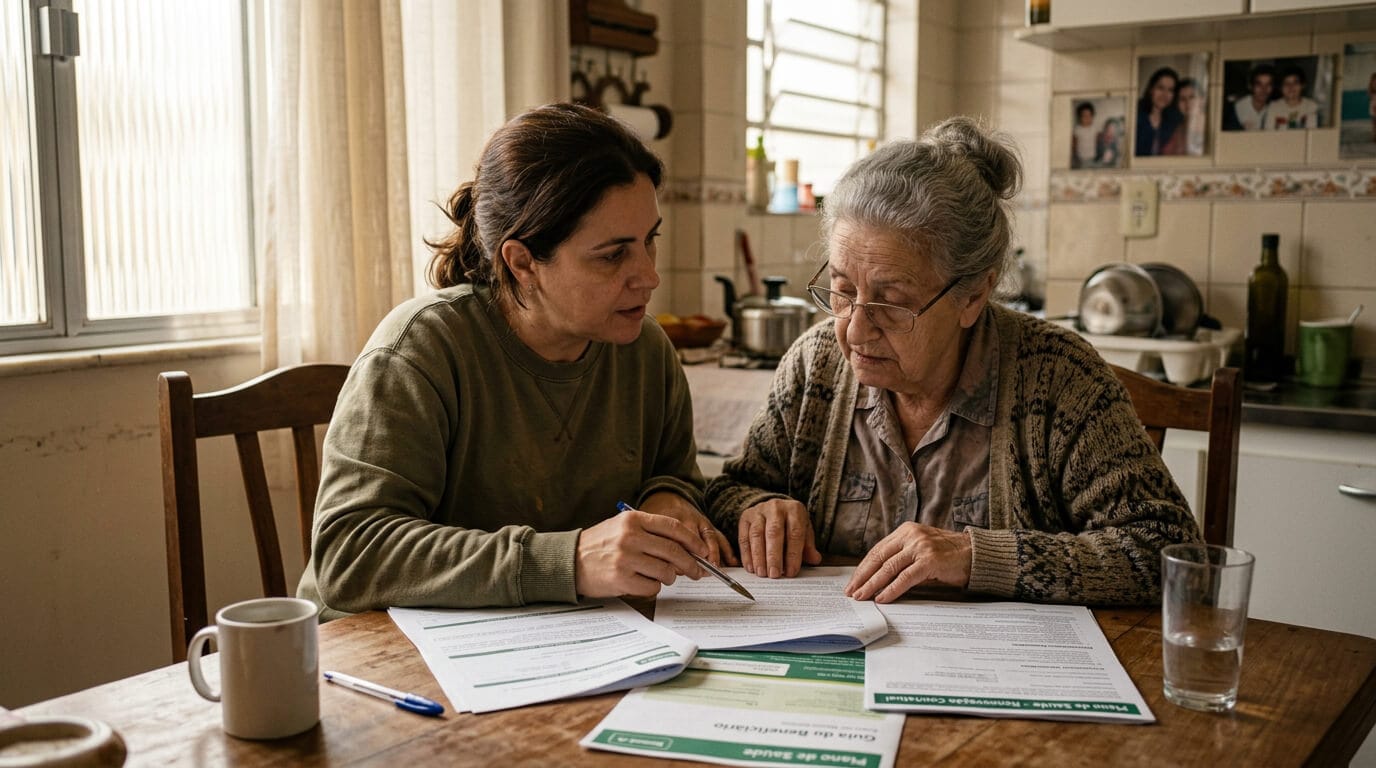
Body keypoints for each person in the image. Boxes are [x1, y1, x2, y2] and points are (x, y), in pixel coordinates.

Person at [705, 117, 1201, 606]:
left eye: (892, 303)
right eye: (841, 290)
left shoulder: (1059, 379)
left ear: (974, 294)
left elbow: (1167, 551)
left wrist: (976, 556)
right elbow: (730, 490)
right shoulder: (817, 366)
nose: (855, 329)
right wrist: (757, 508)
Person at [298, 102, 730, 621]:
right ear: (522, 261)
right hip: (378, 657)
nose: (649, 276)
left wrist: (667, 499)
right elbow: (350, 556)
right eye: (613, 254)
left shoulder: (645, 350)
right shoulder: (419, 351)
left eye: (649, 241)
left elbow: (674, 473)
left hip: (551, 639)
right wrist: (567, 562)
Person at [1135, 67, 1184, 156]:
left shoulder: (1175, 121)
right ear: (1151, 89)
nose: (1165, 94)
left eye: (1170, 90)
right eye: (1160, 88)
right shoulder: (1136, 114)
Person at [1263, 65, 1320, 130]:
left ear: (1303, 85)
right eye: (1286, 83)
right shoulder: (1273, 107)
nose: (1291, 87)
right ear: (1280, 88)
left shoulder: (1311, 106)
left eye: (1295, 83)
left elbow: (1312, 132)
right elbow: (1268, 133)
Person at [1229, 64, 1275, 131]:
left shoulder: (1274, 107)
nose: (1264, 89)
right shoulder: (1238, 107)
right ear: (1251, 86)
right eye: (1259, 84)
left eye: (1268, 84)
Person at [1174, 77, 1206, 156]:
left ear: (1202, 100)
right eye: (1182, 99)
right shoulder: (1176, 131)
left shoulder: (1214, 125)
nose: (1187, 103)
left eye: (1192, 97)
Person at [1071, 101, 1097, 169]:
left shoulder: (1094, 128)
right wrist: (1075, 156)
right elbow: (1074, 144)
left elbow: (1096, 141)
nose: (1087, 118)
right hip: (1081, 158)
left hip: (1092, 157)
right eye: (1084, 116)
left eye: (1089, 116)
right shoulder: (1077, 129)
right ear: (1080, 117)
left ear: (1092, 117)